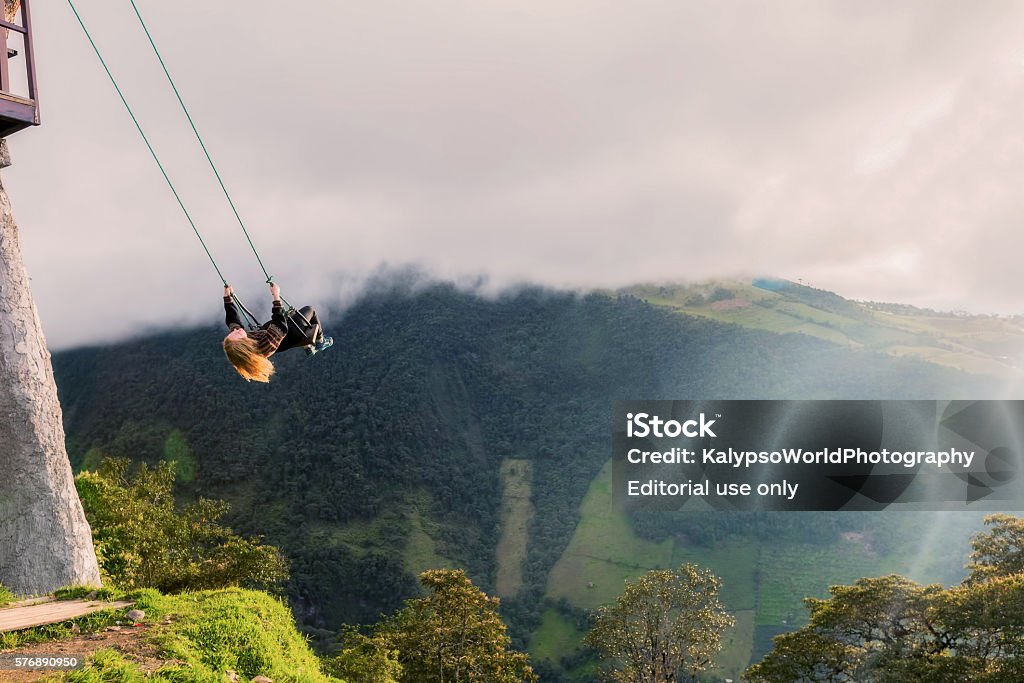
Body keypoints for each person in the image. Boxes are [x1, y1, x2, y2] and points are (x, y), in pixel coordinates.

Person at [222, 282, 333, 382]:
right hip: (292, 333)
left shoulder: (241, 342)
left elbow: (233, 322)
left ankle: (309, 347)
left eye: (232, 333)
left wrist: (227, 298)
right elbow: (280, 326)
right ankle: (320, 342)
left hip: (280, 334)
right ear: (244, 345)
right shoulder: (265, 346)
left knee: (294, 317)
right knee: (310, 310)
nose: (236, 331)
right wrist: (276, 295)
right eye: (236, 334)